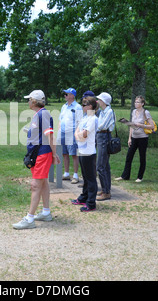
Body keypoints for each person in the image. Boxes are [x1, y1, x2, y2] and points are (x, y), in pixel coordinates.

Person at [13, 90, 61, 229]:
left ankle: (29, 219)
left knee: (35, 185)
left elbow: (50, 136)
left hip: (42, 153)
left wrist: (53, 154)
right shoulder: (38, 114)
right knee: (43, 182)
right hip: (37, 153)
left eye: (29, 99)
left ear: (34, 101)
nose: (28, 101)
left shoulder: (43, 114)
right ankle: (46, 212)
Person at [115, 95, 155, 183]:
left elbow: (152, 126)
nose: (136, 103)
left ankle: (140, 177)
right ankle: (125, 176)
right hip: (134, 137)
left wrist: (141, 125)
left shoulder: (146, 112)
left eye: (138, 102)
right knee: (129, 157)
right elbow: (131, 125)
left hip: (143, 138)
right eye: (135, 102)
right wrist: (130, 138)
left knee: (142, 157)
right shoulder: (133, 112)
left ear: (142, 103)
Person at [72, 96, 99, 212]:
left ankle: (91, 203)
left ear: (90, 107)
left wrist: (79, 136)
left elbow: (84, 135)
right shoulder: (84, 118)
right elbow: (76, 133)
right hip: (82, 150)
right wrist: (79, 136)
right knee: (85, 178)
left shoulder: (93, 119)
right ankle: (84, 197)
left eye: (84, 105)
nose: (82, 107)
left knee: (91, 178)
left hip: (89, 152)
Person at [58, 88, 83, 184]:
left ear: (72, 96)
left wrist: (76, 133)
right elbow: (61, 118)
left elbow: (80, 121)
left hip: (72, 133)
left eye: (67, 94)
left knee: (74, 154)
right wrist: (60, 129)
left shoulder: (78, 107)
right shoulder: (64, 106)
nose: (65, 95)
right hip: (63, 132)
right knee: (64, 153)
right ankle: (66, 173)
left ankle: (75, 175)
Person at [95, 92, 115, 201]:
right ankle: (105, 188)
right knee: (105, 165)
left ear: (104, 102)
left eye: (99, 100)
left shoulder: (109, 112)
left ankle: (106, 192)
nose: (97, 101)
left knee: (100, 166)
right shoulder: (103, 112)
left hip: (104, 137)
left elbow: (102, 125)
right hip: (101, 136)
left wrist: (94, 125)